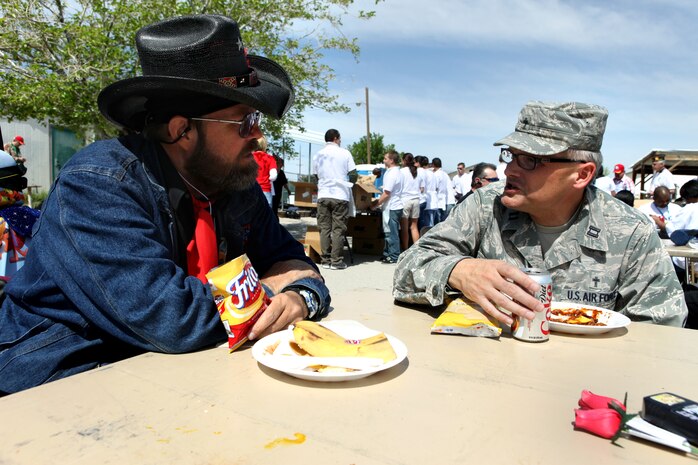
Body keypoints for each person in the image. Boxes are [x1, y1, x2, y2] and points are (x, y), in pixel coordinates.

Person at [0, 14, 331, 395]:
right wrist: (272, 291)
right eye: (245, 121)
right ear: (181, 130)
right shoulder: (96, 184)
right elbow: (171, 318)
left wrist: (303, 296)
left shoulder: (234, 184)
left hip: (177, 378)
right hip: (59, 383)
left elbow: (299, 266)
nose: (258, 137)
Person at [393, 100, 687, 327]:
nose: (510, 169)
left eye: (531, 160)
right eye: (511, 155)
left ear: (582, 174)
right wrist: (458, 271)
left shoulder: (630, 232)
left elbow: (661, 329)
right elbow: (406, 270)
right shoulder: (485, 207)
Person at [313, 129, 356, 270]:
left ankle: (325, 260)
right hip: (340, 194)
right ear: (336, 138)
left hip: (324, 194)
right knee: (338, 229)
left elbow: (316, 176)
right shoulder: (345, 153)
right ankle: (336, 261)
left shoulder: (318, 155)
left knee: (324, 228)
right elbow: (353, 174)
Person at [371, 150, 402, 264]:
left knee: (391, 232)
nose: (383, 161)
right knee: (388, 231)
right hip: (392, 205)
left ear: (391, 160)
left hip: (392, 206)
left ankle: (393, 256)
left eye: (385, 158)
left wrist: (376, 204)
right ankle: (387, 253)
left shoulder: (393, 173)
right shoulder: (393, 172)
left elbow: (387, 193)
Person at [399, 153, 423, 250]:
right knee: (414, 226)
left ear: (404, 160)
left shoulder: (402, 171)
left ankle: (405, 249)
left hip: (405, 200)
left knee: (404, 228)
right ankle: (416, 250)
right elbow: (422, 188)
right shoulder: (418, 171)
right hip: (416, 199)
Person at [253, 136, 277, 206]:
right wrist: (268, 179)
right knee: (266, 214)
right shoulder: (270, 158)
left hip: (251, 189)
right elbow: (273, 176)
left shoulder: (249, 157)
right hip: (265, 190)